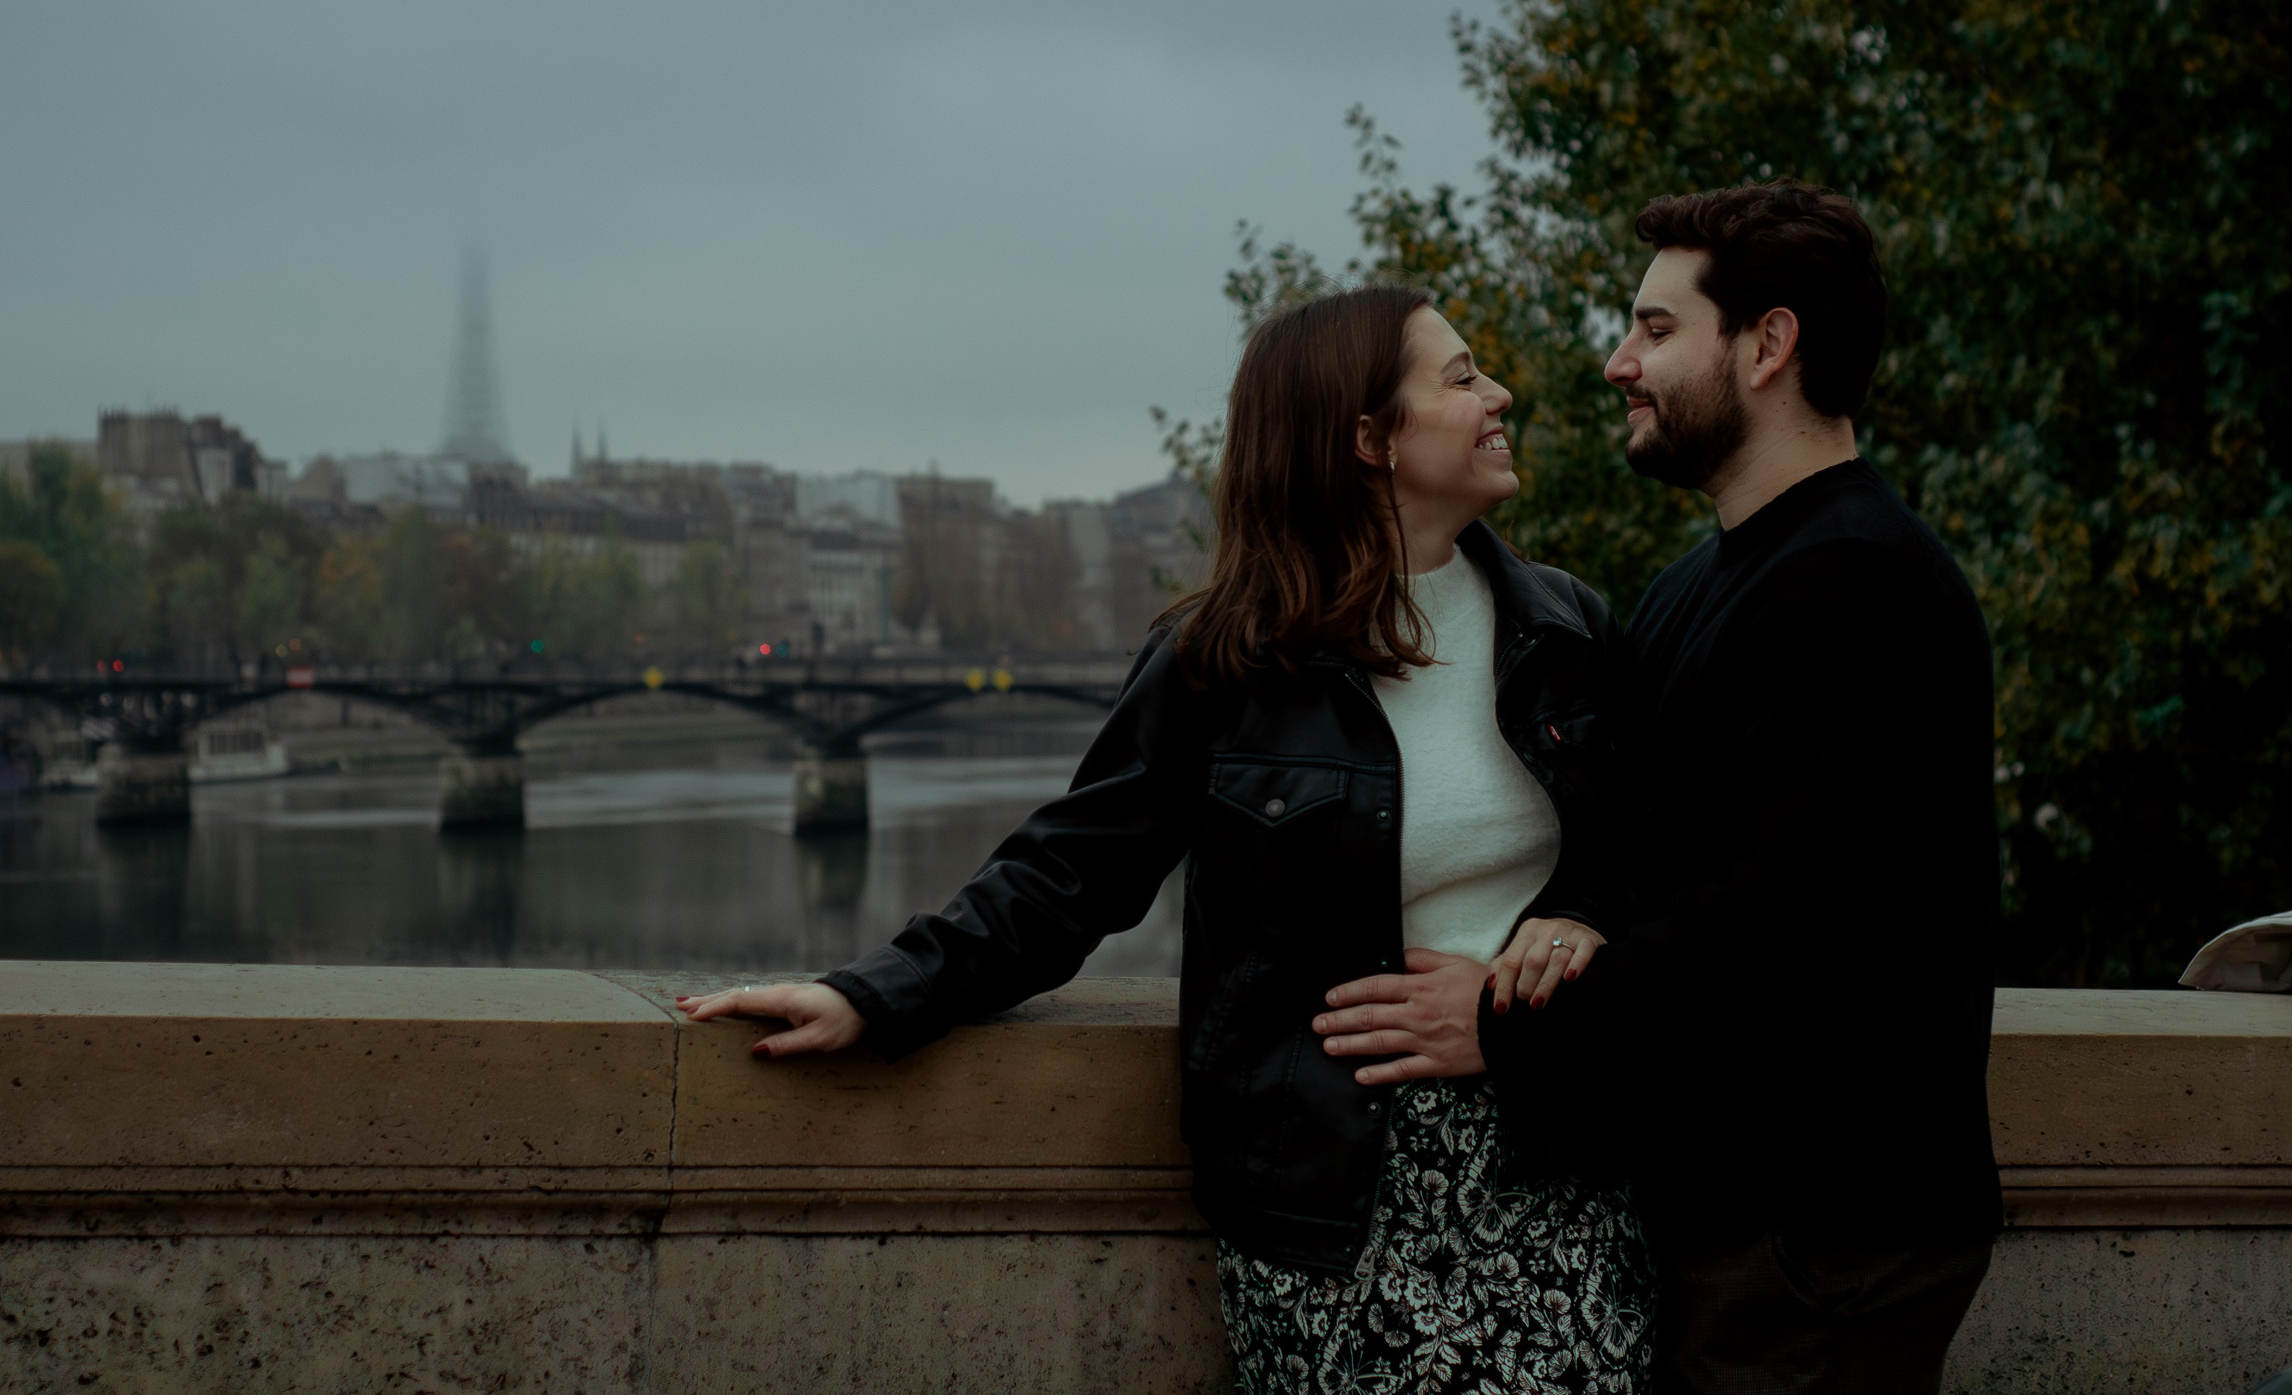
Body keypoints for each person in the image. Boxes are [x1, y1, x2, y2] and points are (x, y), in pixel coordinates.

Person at [681, 285, 1658, 1390]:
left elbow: (1647, 858)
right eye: (1463, 373)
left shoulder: (1567, 626)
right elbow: (1071, 868)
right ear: (1367, 437)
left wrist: (1575, 923)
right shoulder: (1225, 657)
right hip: (1328, 1200)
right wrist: (875, 990)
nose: (1500, 393)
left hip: (1553, 1157)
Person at [1473, 182, 2001, 1394]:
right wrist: (1575, 918)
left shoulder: (1859, 584)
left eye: (1657, 328)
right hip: (1756, 1214)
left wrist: (1498, 1022)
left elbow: (1759, 926)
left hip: (1824, 1227)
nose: (1617, 362)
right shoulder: (1695, 583)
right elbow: (1653, 856)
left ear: (1768, 344)